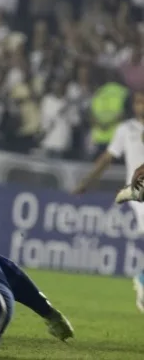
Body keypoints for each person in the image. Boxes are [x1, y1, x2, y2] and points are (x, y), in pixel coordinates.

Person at [74, 91, 144, 312]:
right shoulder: (126, 129)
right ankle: (142, 279)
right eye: (137, 101)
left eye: (143, 101)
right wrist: (86, 182)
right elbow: (107, 157)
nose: (139, 106)